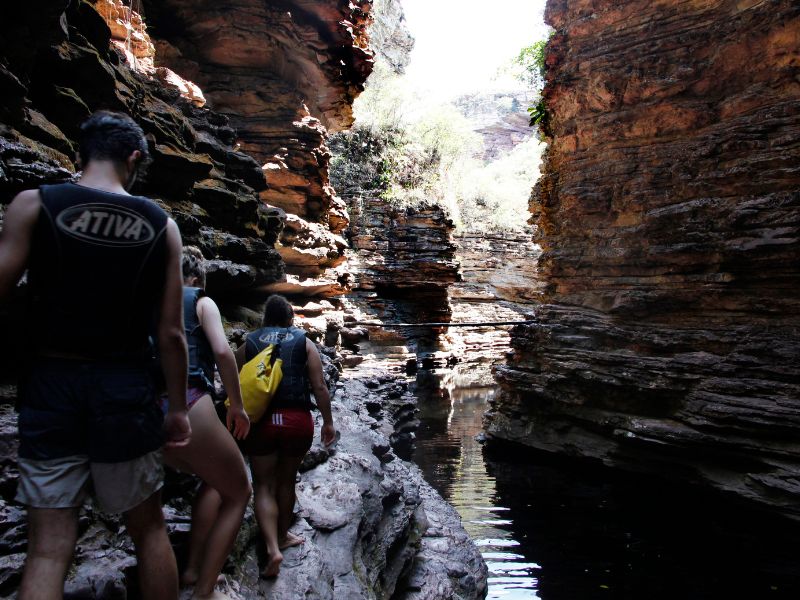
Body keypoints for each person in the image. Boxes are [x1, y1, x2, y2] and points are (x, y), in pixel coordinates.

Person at [0, 110, 191, 600]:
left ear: (79, 154)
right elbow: (171, 333)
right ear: (134, 158)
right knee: (148, 530)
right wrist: (176, 409)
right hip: (125, 387)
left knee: (47, 548)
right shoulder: (161, 225)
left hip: (49, 383)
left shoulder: (33, 204)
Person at [161, 246, 252, 600]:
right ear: (196, 277)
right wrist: (237, 406)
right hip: (188, 402)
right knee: (239, 490)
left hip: (139, 409)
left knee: (210, 481)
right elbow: (222, 352)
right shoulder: (200, 300)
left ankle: (189, 569)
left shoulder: (146, 299)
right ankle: (202, 588)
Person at [235, 294, 336, 578]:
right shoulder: (304, 342)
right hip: (296, 421)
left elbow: (231, 370)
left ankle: (271, 548)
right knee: (287, 479)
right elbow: (319, 387)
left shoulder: (250, 342)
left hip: (262, 424)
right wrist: (328, 422)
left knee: (263, 484)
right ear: (291, 317)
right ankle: (282, 535)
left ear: (265, 318)